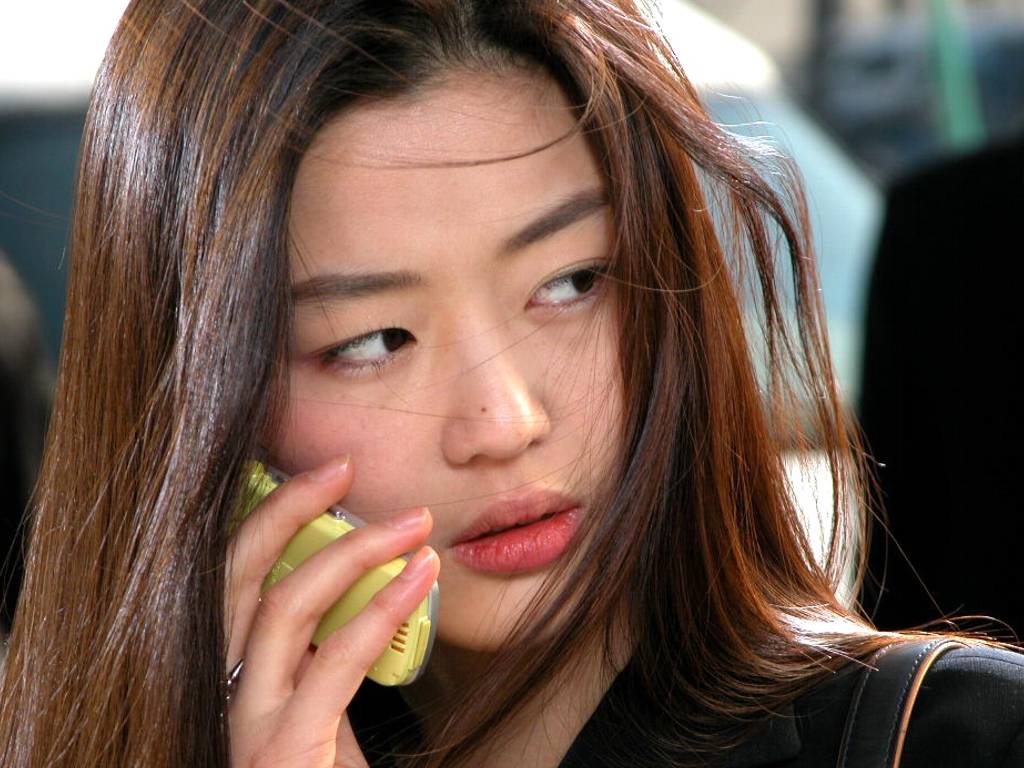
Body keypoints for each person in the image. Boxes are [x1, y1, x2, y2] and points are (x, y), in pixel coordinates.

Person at [0, 2, 1020, 767]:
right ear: (208, 421)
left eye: (571, 284)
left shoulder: (964, 736)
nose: (504, 421)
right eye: (372, 341)